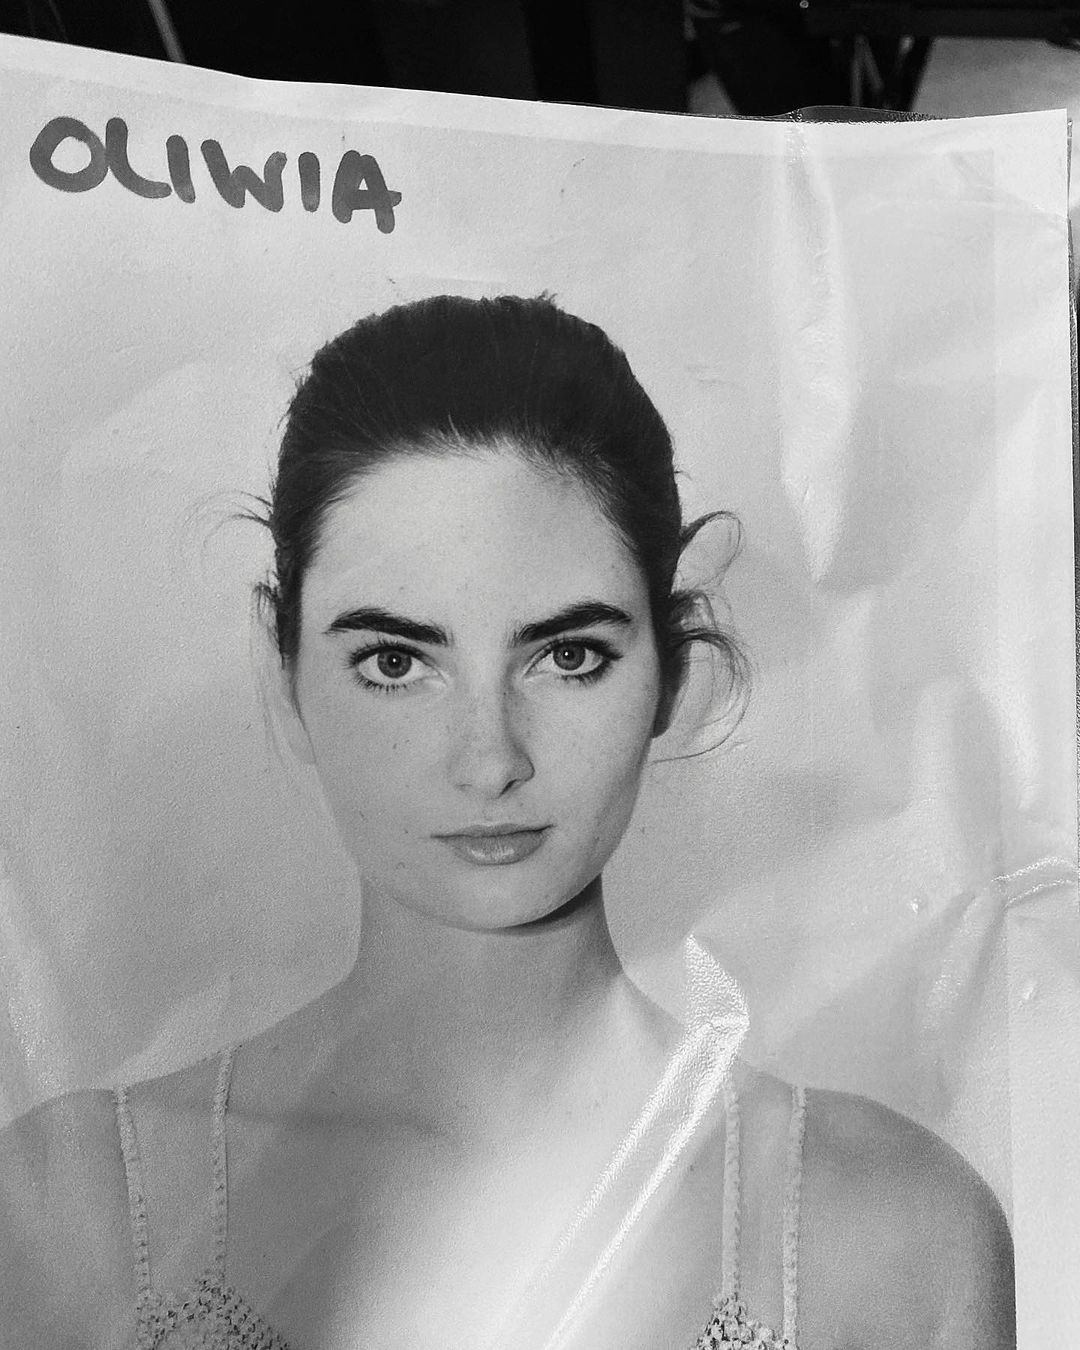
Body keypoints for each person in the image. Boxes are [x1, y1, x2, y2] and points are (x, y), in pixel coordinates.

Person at [0, 294, 1014, 1350]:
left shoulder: (896, 1231)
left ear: (674, 671)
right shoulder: (70, 1209)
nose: (490, 760)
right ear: (283, 670)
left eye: (568, 657)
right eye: (396, 662)